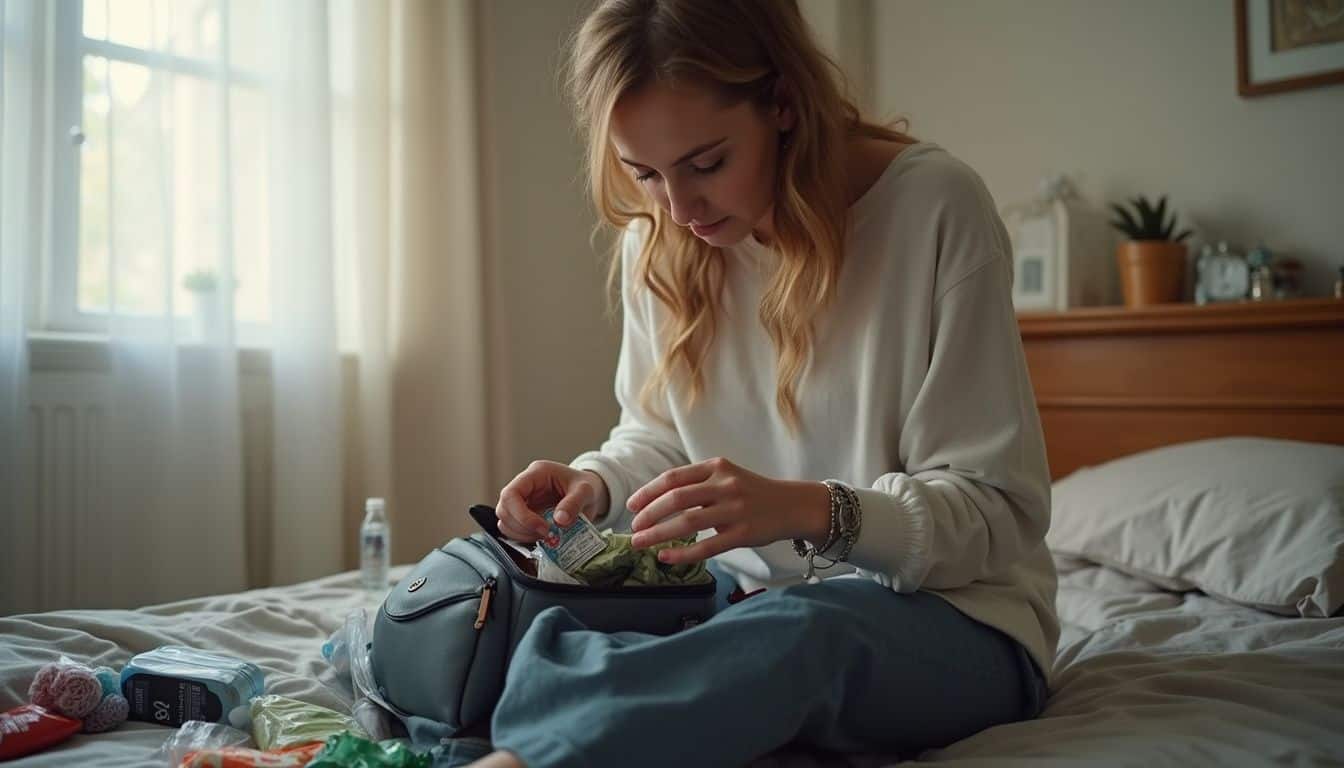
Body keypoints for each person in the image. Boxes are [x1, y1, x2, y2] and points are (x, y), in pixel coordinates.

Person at [471, 1, 1054, 766]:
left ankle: (520, 757)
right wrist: (596, 483)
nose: (678, 209)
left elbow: (994, 511)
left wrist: (804, 509)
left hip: (956, 617)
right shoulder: (662, 240)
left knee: (803, 635)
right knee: (517, 610)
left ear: (782, 103)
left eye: (706, 163)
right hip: (745, 603)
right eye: (643, 173)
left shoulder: (936, 209)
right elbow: (658, 434)